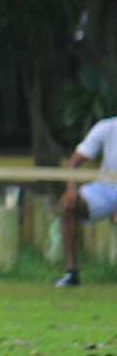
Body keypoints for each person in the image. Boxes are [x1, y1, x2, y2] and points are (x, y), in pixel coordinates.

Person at [55, 114, 117, 287]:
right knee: (68, 205)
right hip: (105, 188)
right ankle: (72, 273)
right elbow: (74, 163)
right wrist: (72, 189)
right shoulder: (106, 127)